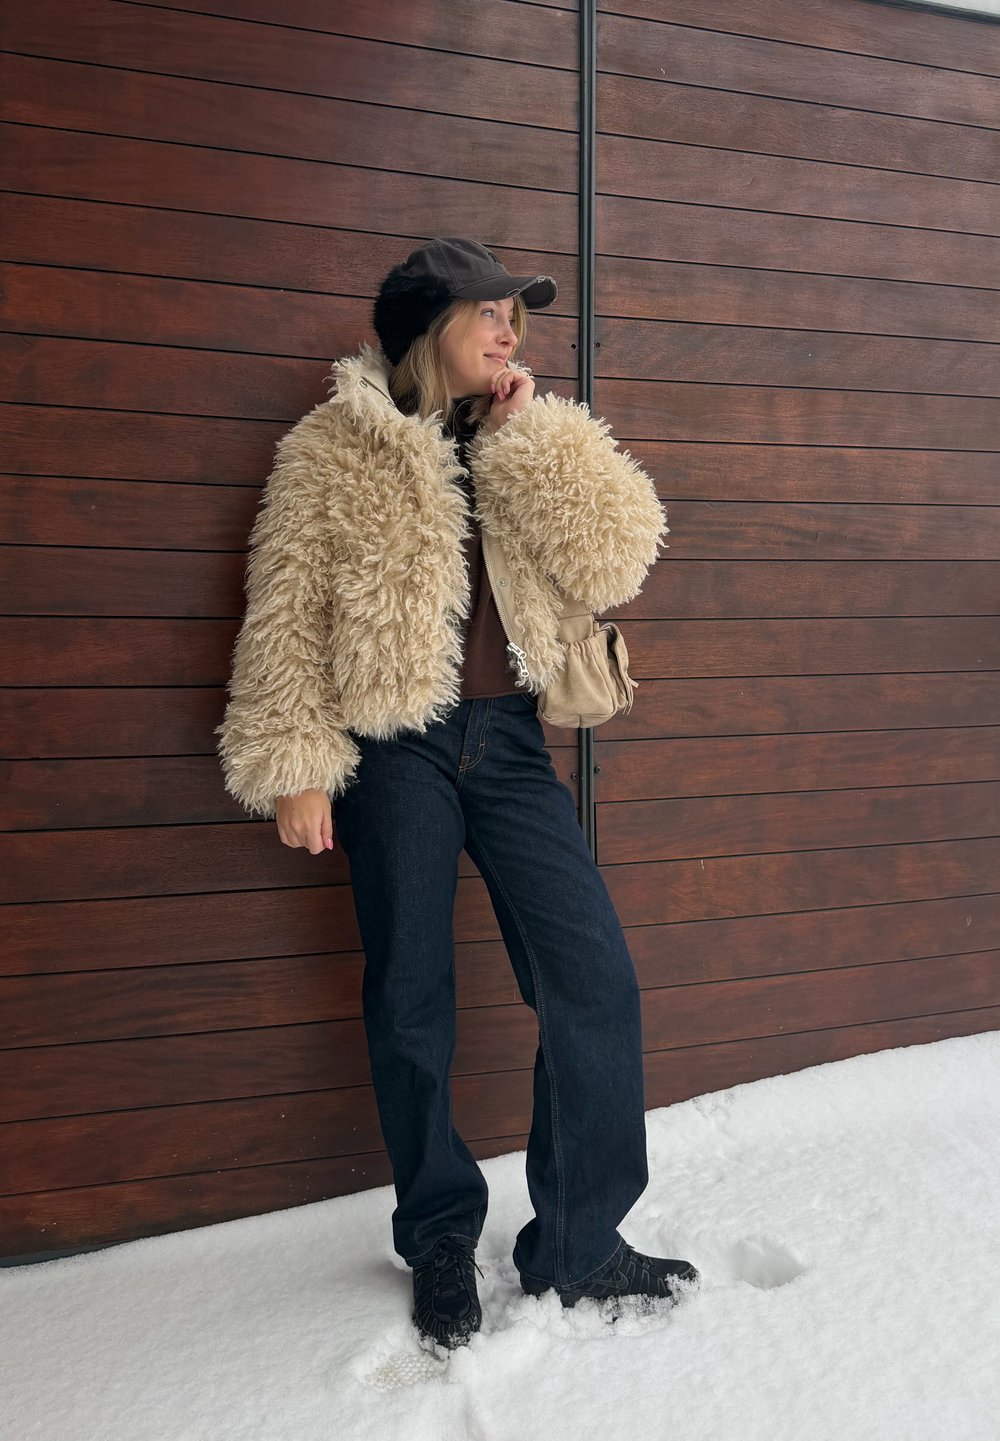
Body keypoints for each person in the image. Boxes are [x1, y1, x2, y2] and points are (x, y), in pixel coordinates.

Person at [216, 237, 700, 1350]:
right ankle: (439, 1233)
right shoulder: (330, 449)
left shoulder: (525, 430)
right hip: (395, 747)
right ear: (429, 323)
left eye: (514, 321)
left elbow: (621, 557)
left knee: (594, 976)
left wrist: (528, 442)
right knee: (412, 998)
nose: (508, 334)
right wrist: (293, 761)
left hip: (513, 744)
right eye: (489, 314)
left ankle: (578, 1239)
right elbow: (283, 610)